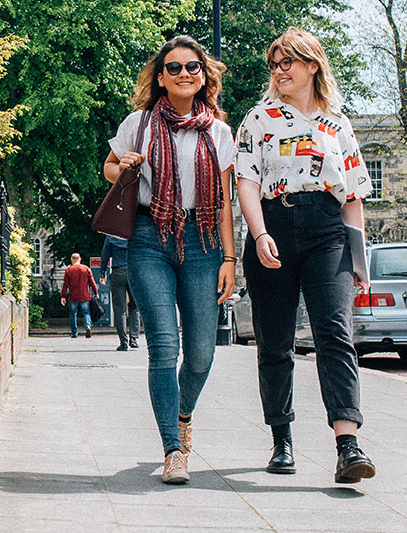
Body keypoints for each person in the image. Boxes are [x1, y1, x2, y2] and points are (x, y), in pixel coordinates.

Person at [235, 28, 376, 484]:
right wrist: (258, 235)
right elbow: (247, 183)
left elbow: (353, 195)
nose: (279, 72)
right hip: (274, 224)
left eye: (287, 63)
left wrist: (359, 264)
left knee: (335, 333)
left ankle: (348, 445)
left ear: (312, 65)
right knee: (275, 340)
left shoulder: (338, 122)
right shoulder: (258, 119)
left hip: (327, 229)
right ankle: (282, 439)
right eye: (274, 65)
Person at [103, 35, 237, 484]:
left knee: (200, 353)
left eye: (192, 67)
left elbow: (223, 202)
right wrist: (123, 167)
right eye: (174, 67)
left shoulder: (218, 131)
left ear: (204, 76)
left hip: (202, 241)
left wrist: (230, 258)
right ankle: (172, 449)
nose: (184, 74)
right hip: (147, 236)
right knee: (164, 346)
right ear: (160, 77)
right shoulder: (139, 122)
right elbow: (110, 166)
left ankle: (183, 414)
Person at [100, 236, 141, 351]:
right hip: (134, 272)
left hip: (118, 272)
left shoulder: (110, 237)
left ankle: (123, 341)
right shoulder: (133, 234)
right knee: (135, 307)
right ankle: (134, 338)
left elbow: (105, 256)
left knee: (119, 309)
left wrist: (102, 273)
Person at [60, 253, 98, 339]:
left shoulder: (69, 270)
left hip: (73, 296)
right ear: (80, 259)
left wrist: (63, 296)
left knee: (73, 314)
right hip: (85, 295)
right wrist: (96, 292)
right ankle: (88, 326)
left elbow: (65, 285)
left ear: (71, 260)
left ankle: (74, 333)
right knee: (86, 312)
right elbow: (92, 282)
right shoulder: (86, 269)